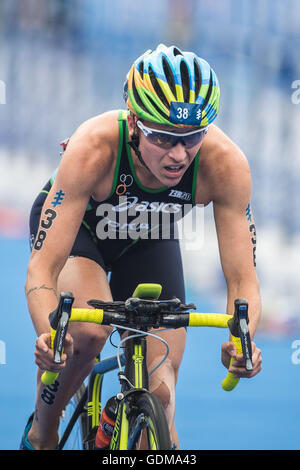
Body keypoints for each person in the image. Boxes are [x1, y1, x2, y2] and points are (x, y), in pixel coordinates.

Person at [20, 44, 262, 450]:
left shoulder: (226, 164)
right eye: (164, 138)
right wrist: (50, 336)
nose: (179, 154)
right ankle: (42, 432)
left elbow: (243, 279)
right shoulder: (93, 147)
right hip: (82, 234)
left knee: (163, 399)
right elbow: (42, 270)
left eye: (192, 138)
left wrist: (244, 340)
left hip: (149, 238)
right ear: (134, 121)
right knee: (86, 336)